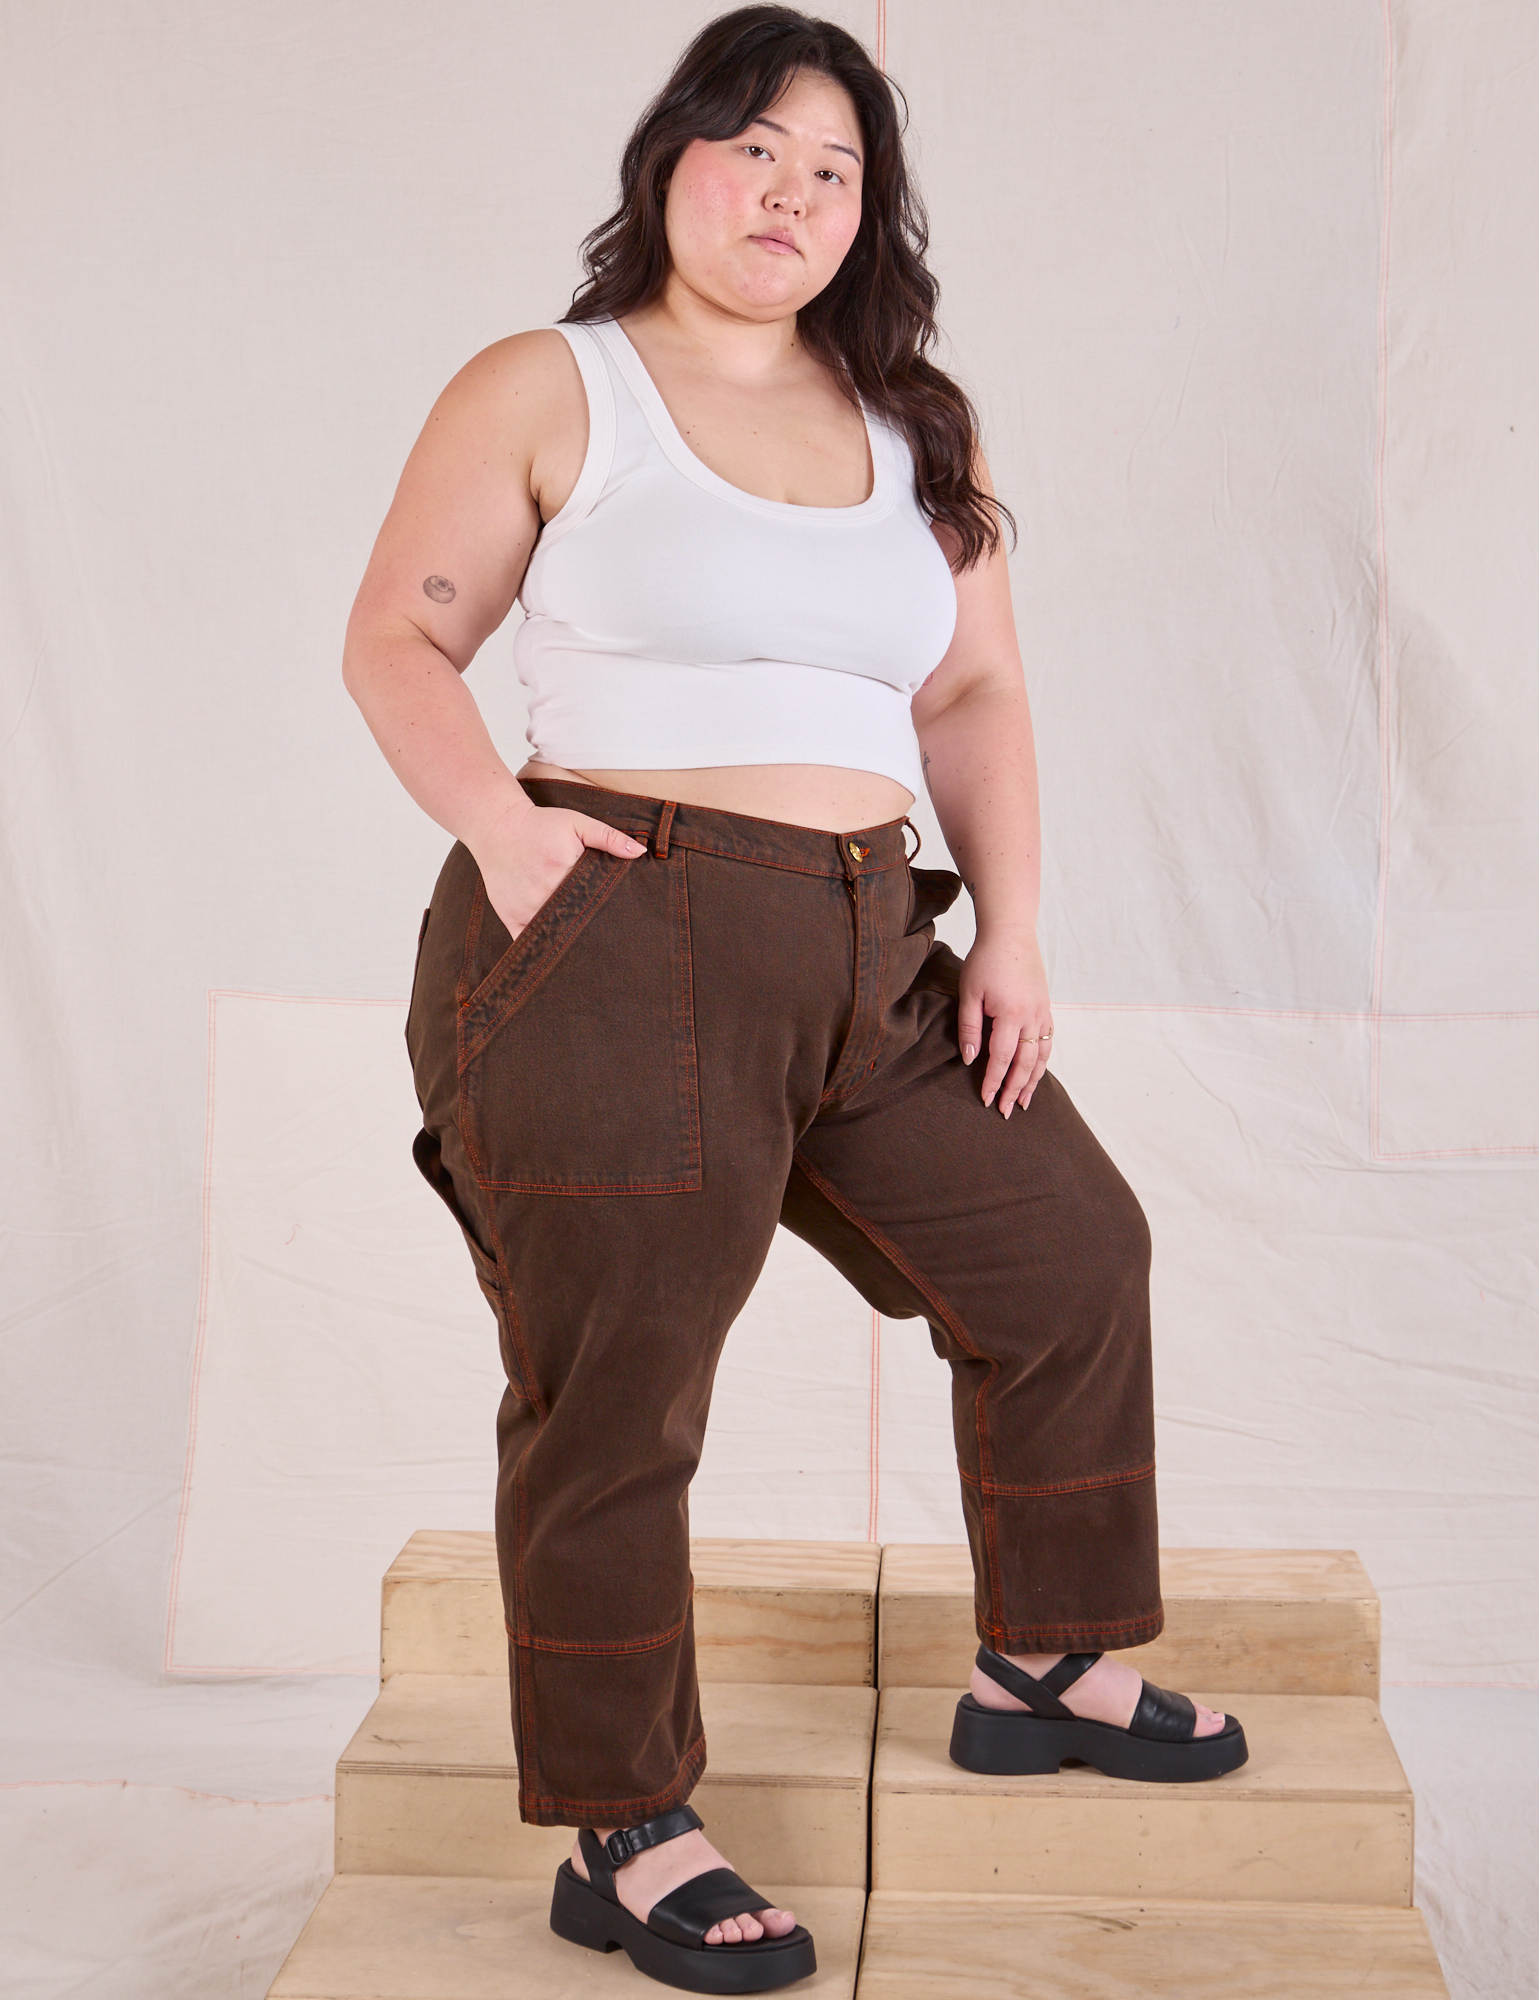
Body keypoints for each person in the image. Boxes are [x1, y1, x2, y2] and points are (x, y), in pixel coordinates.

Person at [342, 7, 1247, 1991]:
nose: (788, 193)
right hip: (614, 929)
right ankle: (619, 1820)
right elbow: (399, 638)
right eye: (752, 147)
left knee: (1065, 1253)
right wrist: (504, 836)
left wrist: (1005, 927)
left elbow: (975, 691)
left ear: (871, 212)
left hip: (869, 937)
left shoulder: (922, 424)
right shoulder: (549, 381)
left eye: (832, 168)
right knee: (620, 1392)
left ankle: (1038, 1658)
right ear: (672, 160)